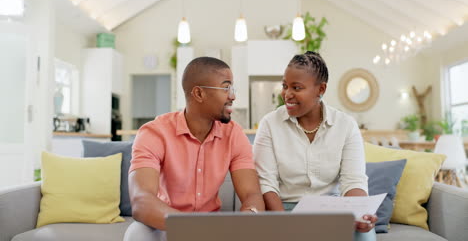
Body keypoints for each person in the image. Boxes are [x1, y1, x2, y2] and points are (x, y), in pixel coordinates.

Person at [125, 57, 265, 241]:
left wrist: (249, 217)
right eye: (226, 88)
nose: (232, 96)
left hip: (214, 228)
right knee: (136, 234)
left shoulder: (234, 135)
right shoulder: (154, 132)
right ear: (199, 94)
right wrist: (194, 229)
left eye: (232, 89)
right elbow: (141, 201)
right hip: (166, 225)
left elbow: (251, 194)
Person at [253, 51, 377, 240]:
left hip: (331, 209)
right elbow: (266, 183)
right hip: (284, 209)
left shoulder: (345, 125)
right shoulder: (269, 124)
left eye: (296, 87)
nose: (287, 94)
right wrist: (284, 224)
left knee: (364, 236)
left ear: (321, 89)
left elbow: (353, 181)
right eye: (285, 86)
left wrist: (359, 213)